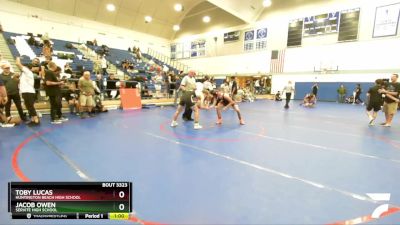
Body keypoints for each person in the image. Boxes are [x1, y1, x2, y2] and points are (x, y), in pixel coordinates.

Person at [16, 57, 40, 126]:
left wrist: (18, 58)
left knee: (30, 107)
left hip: (28, 92)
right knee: (29, 107)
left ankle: (36, 120)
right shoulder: (24, 74)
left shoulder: (28, 71)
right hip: (25, 92)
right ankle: (33, 120)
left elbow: (18, 63)